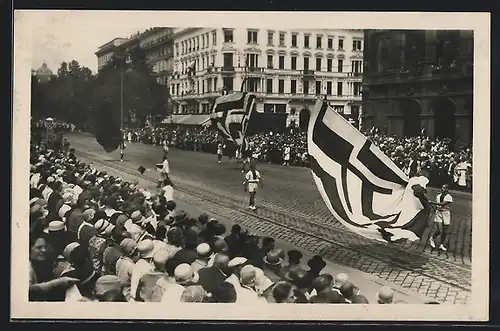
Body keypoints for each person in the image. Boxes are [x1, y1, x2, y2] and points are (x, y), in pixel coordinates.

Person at [429, 184, 453, 251]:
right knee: (440, 230)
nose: (442, 188)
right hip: (439, 213)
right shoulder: (438, 196)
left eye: (444, 187)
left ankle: (441, 245)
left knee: (445, 231)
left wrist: (431, 202)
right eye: (442, 187)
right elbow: (437, 206)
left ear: (447, 189)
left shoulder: (449, 197)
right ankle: (432, 238)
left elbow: (442, 204)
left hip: (446, 214)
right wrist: (434, 208)